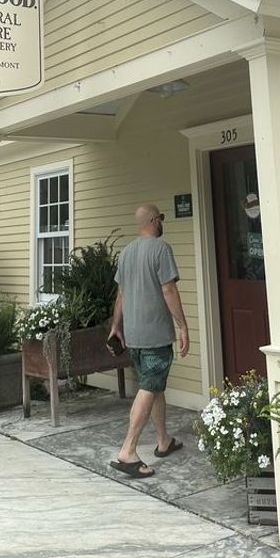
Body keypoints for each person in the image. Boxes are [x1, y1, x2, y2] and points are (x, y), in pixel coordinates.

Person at [108, 202, 189, 478]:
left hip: (134, 336)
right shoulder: (161, 249)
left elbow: (120, 294)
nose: (162, 222)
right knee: (149, 387)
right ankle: (127, 451)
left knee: (154, 386)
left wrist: (115, 326)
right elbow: (168, 290)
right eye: (161, 218)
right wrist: (182, 326)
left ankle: (163, 440)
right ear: (154, 221)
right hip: (155, 336)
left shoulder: (126, 252)